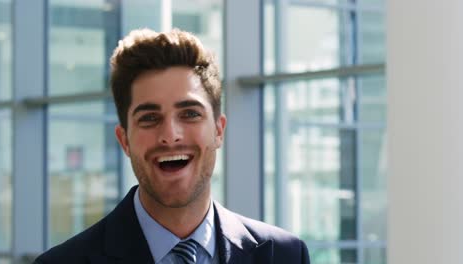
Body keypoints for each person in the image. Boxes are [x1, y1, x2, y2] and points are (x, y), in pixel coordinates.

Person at [34, 28, 310, 264]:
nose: (170, 135)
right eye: (150, 118)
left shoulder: (284, 255)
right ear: (124, 140)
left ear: (218, 130)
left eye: (190, 113)